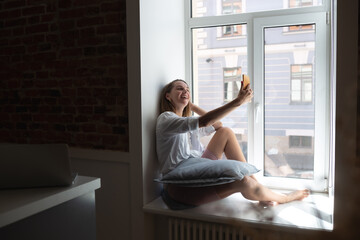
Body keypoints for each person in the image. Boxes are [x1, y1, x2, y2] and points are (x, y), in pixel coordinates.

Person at [156, 79, 309, 208]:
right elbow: (205, 121)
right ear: (168, 96)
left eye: (187, 89)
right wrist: (238, 102)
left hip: (194, 168)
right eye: (180, 89)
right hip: (179, 186)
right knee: (244, 183)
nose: (185, 91)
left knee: (226, 132)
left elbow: (218, 125)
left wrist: (192, 106)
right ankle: (285, 198)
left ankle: (260, 189)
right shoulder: (166, 119)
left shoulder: (185, 123)